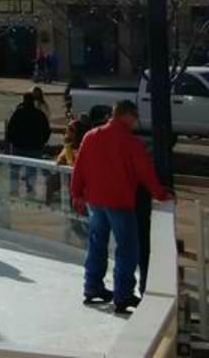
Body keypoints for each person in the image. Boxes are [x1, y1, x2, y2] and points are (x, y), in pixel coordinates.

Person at [69, 99, 172, 314]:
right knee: (127, 248)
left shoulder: (91, 136)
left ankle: (93, 286)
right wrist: (160, 194)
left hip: (95, 201)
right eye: (135, 117)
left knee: (96, 244)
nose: (136, 121)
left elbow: (79, 167)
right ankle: (123, 294)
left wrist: (76, 193)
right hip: (120, 202)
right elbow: (145, 172)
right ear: (127, 115)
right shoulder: (131, 143)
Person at [6, 91, 51, 195]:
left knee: (14, 170)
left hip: (18, 147)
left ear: (24, 100)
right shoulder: (40, 114)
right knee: (31, 171)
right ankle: (30, 190)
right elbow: (46, 131)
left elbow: (10, 129)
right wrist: (42, 142)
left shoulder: (18, 113)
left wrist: (12, 141)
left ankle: (13, 190)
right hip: (35, 148)